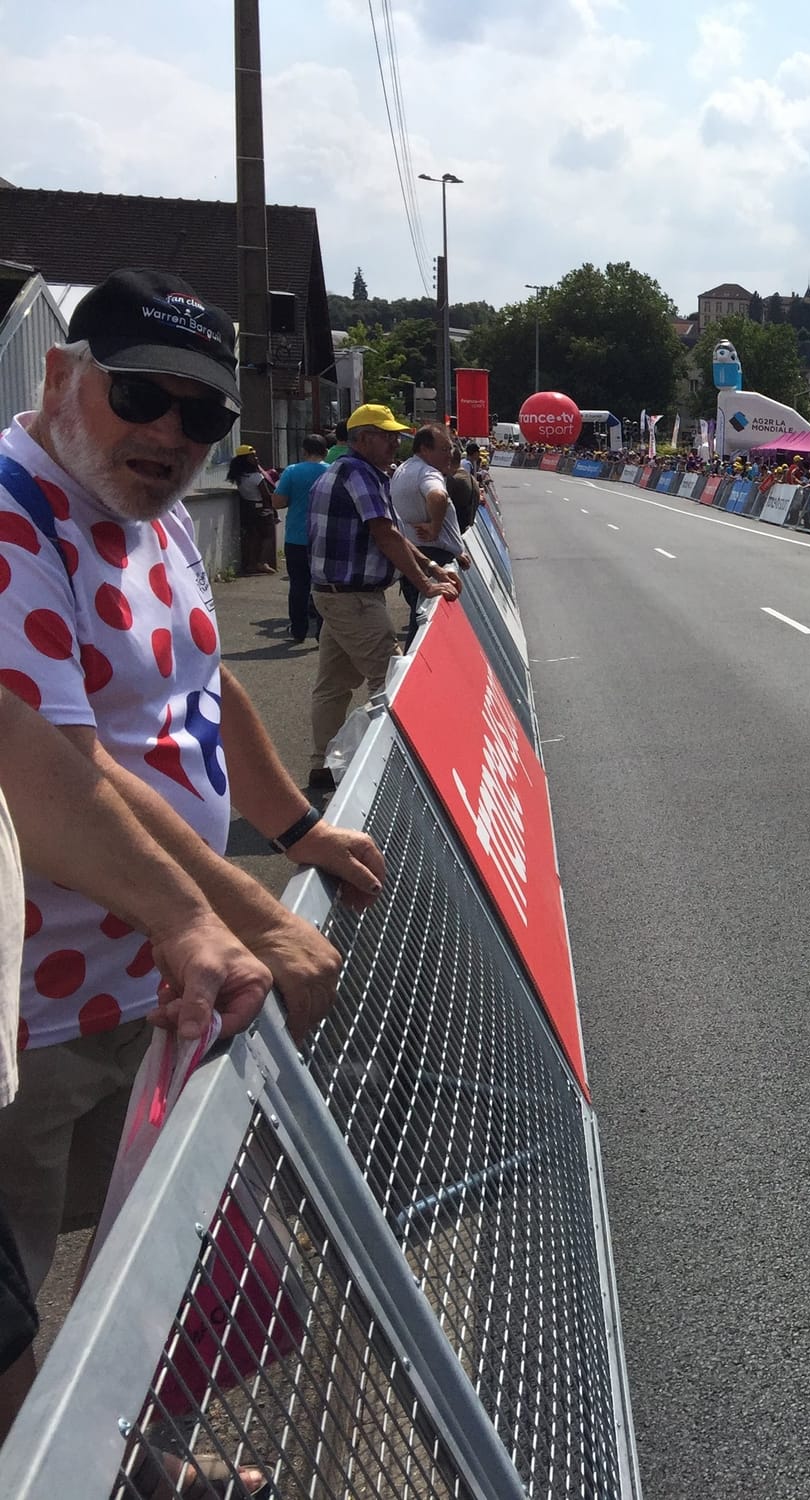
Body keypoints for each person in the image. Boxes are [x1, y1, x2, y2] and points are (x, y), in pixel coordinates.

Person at [0, 267, 385, 1347]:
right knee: (13, 1307)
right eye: (142, 395)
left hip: (154, 981)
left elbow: (201, 688)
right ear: (61, 374)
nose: (171, 431)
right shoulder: (11, 516)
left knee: (136, 1257)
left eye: (203, 413)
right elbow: (58, 772)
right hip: (30, 1007)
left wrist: (294, 828)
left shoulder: (152, 514)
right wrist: (239, 919)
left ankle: (141, 1464)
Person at [0, 687, 277, 1442]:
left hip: (137, 997)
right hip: (43, 1016)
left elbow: (201, 684)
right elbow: (51, 748)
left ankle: (112, 1461)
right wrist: (228, 917)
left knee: (103, 1259)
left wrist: (191, 914)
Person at [306, 403, 460, 793]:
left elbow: (391, 531)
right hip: (354, 599)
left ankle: (323, 764)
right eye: (386, 435)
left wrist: (428, 565)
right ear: (363, 439)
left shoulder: (344, 470)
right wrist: (426, 583)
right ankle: (391, 779)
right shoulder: (360, 474)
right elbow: (386, 534)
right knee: (390, 680)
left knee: (333, 685)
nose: (395, 442)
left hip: (336, 595)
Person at [389, 422, 466, 645]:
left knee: (420, 616)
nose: (449, 455)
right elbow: (437, 496)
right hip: (434, 557)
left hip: (416, 554)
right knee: (425, 623)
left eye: (450, 448)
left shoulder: (404, 469)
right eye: (444, 449)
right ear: (424, 449)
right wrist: (435, 527)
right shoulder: (428, 472)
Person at [274, 433, 329, 642]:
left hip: (297, 536)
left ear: (304, 451)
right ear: (325, 451)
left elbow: (278, 502)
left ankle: (298, 629)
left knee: (298, 584)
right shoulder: (331, 471)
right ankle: (323, 632)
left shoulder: (292, 471)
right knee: (324, 585)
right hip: (324, 537)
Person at [227, 443, 278, 575]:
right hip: (261, 508)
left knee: (252, 536)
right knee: (266, 536)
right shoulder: (256, 476)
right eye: (252, 456)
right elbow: (266, 495)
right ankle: (261, 562)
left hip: (248, 508)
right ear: (245, 459)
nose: (256, 459)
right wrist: (271, 509)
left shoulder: (239, 476)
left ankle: (250, 564)